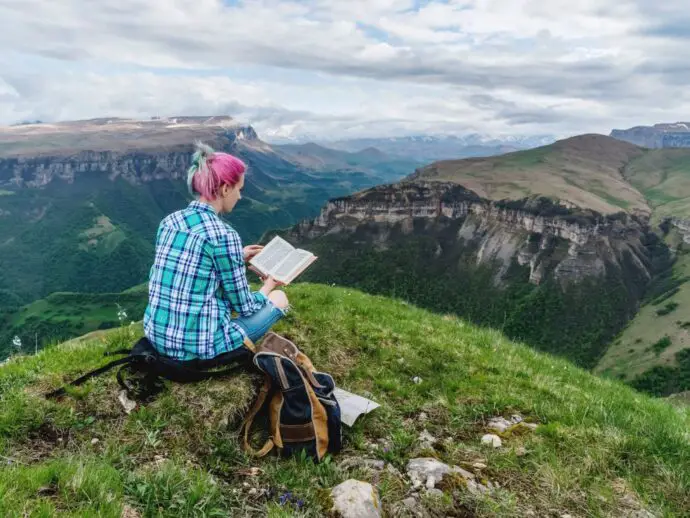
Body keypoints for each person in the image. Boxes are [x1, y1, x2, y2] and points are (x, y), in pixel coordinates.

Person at [143, 142, 288, 362]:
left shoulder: (169, 222)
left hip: (157, 337)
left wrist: (237, 255)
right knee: (279, 298)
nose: (239, 196)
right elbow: (245, 307)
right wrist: (268, 285)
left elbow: (192, 259)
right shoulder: (223, 235)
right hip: (200, 348)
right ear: (225, 188)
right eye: (239, 189)